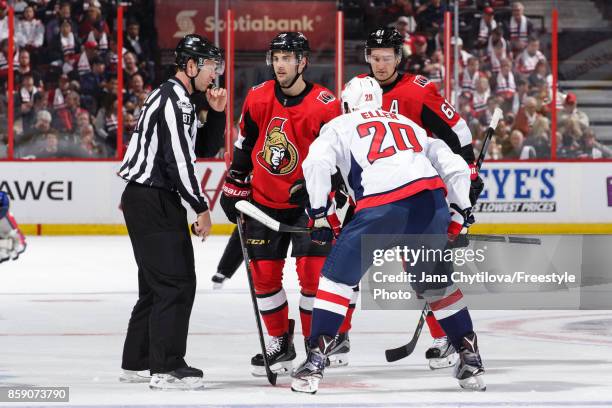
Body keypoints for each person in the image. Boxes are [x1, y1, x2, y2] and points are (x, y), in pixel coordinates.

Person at [291, 76, 485, 393]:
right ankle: (470, 358)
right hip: (429, 204)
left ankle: (314, 362)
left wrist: (318, 214)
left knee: (335, 282)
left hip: (382, 208)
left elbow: (315, 164)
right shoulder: (407, 123)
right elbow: (455, 165)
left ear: (347, 104)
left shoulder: (340, 124)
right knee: (437, 286)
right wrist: (459, 209)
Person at [219, 32, 354, 376]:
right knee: (263, 278)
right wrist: (235, 181)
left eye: (287, 58)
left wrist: (327, 191)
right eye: (276, 58)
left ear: (302, 62)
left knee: (312, 278)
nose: (280, 64)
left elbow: (341, 159)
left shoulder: (325, 104)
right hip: (263, 201)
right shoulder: (258, 97)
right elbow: (245, 143)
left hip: (310, 205)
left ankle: (314, 346)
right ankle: (280, 342)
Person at [359, 27, 482, 370]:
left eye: (386, 58)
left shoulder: (418, 90)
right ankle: (445, 335)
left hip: (421, 190)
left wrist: (468, 170)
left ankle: (448, 337)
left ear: (398, 58)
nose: (380, 64)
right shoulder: (360, 91)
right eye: (374, 57)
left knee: (425, 268)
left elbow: (456, 129)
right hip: (380, 192)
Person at [117, 33, 226, 390]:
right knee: (176, 282)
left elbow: (204, 147)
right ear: (190, 66)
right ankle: (166, 366)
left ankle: (139, 361)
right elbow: (178, 161)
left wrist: (218, 113)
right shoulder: (174, 100)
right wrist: (200, 206)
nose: (215, 73)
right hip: (153, 200)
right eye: (210, 66)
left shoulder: (181, 99)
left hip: (146, 199)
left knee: (155, 285)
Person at [0, 191, 27, 263]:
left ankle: (10, 250)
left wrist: (20, 244)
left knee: (12, 234)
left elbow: (16, 232)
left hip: (13, 243)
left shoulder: (7, 216)